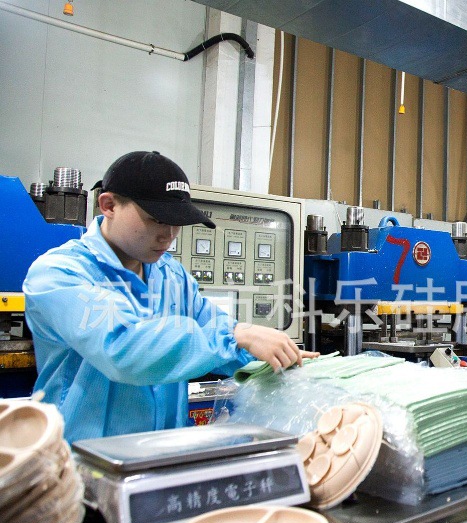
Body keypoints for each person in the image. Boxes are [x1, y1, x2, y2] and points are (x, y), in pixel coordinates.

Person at [23, 151, 317, 443]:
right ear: (108, 205)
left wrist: (279, 359)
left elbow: (217, 330)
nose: (169, 235)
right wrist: (236, 336)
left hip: (161, 453)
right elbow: (123, 349)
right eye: (156, 219)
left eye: (177, 222)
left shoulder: (172, 276)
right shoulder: (60, 274)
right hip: (80, 460)